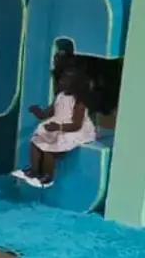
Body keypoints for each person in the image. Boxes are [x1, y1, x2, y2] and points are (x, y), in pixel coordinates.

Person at [13, 50, 98, 188]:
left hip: (73, 130)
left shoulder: (79, 102)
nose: (62, 81)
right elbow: (49, 112)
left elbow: (77, 125)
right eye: (62, 78)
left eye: (67, 80)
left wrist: (58, 127)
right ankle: (34, 170)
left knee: (49, 149)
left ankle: (48, 177)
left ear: (76, 83)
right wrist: (39, 112)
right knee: (36, 140)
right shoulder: (60, 96)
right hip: (58, 126)